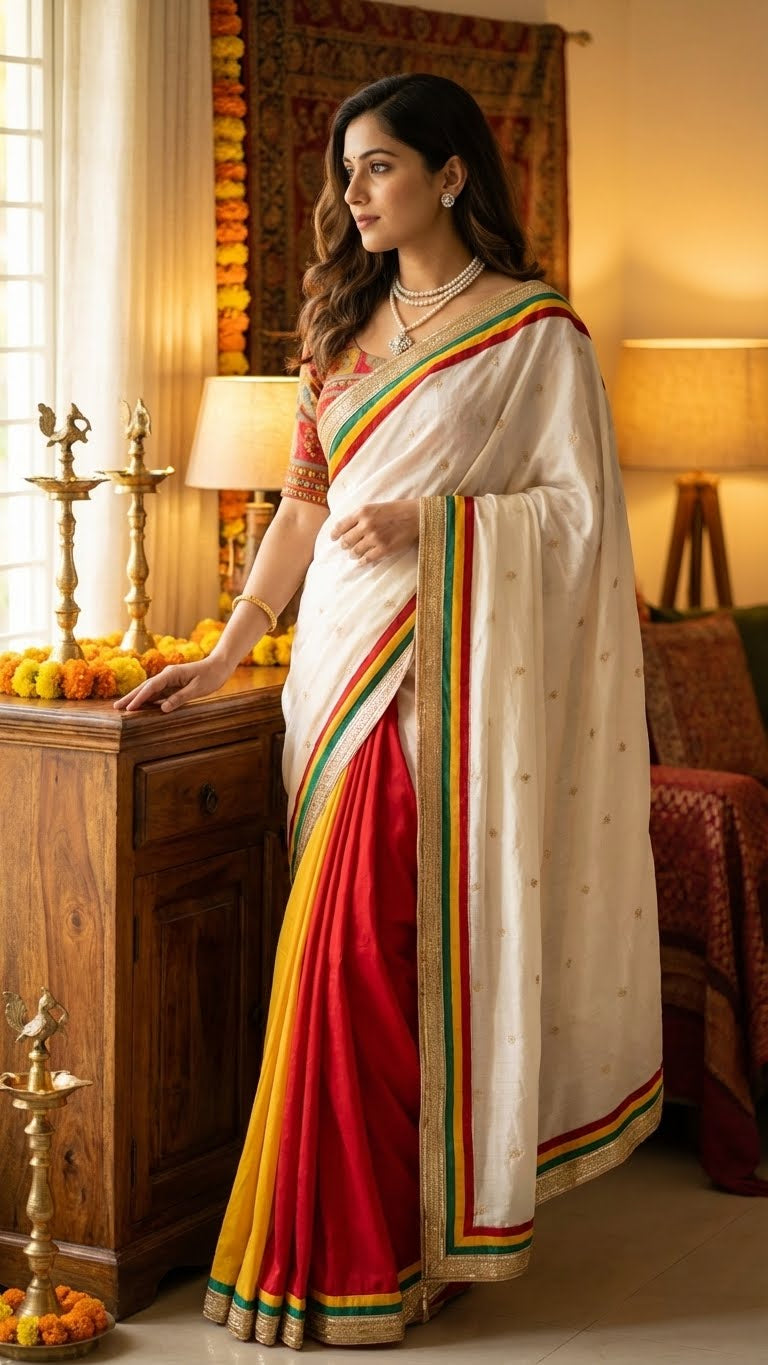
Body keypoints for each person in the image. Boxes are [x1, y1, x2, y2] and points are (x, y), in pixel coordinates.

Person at [116, 72, 662, 1351]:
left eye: (380, 167)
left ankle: (375, 1249)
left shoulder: (534, 336)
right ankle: (372, 1248)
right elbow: (300, 510)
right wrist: (228, 651)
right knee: (350, 957)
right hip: (337, 668)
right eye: (347, 170)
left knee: (375, 954)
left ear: (450, 175)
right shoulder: (338, 331)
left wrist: (438, 524)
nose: (354, 193)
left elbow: (580, 521)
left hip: (443, 687)